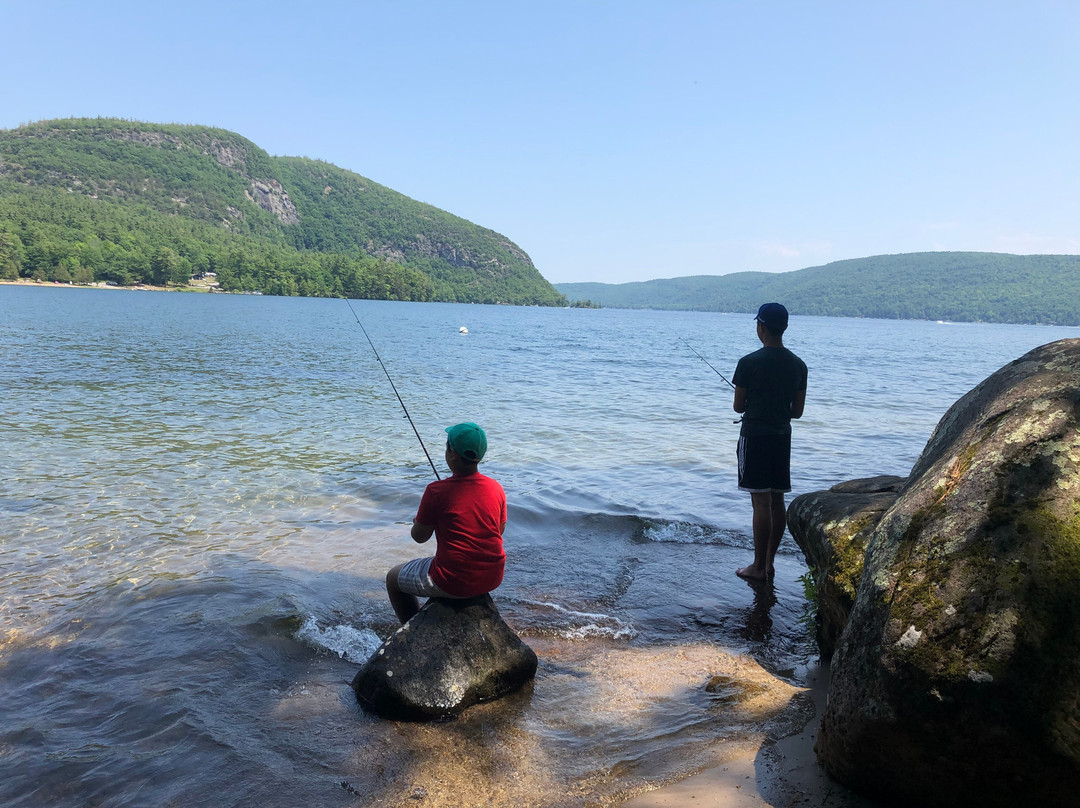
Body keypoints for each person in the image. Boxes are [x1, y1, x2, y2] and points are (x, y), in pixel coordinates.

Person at [385, 422, 507, 623]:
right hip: (493, 576)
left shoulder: (436, 491)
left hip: (451, 581)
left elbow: (419, 537)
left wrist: (418, 521)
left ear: (452, 453)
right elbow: (498, 531)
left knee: (392, 578)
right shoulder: (496, 488)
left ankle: (411, 634)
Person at [732, 303, 807, 581]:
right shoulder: (799, 365)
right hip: (781, 437)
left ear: (760, 326)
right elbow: (796, 412)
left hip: (755, 437)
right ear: (784, 327)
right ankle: (769, 563)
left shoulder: (748, 362)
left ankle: (758, 567)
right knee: (777, 500)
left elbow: (738, 407)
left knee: (760, 503)